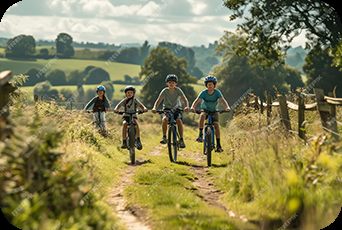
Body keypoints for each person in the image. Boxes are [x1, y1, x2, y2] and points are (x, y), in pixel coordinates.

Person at [190, 75, 230, 152]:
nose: (210, 86)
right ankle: (201, 135)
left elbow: (223, 100)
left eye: (211, 84)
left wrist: (227, 107)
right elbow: (197, 100)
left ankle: (218, 145)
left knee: (216, 125)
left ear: (214, 85)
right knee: (202, 116)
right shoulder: (204, 93)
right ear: (206, 85)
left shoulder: (217, 92)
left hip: (214, 111)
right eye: (208, 85)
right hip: (205, 109)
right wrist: (192, 107)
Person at [152, 74, 189, 148]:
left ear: (176, 83)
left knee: (178, 120)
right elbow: (158, 100)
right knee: (165, 119)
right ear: (167, 83)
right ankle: (164, 136)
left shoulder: (178, 90)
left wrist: (187, 106)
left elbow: (184, 99)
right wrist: (154, 108)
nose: (171, 84)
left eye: (173, 82)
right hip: (167, 109)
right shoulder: (165, 91)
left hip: (177, 109)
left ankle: (181, 139)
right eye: (170, 82)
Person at [114, 85, 148, 150]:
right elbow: (118, 106)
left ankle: (138, 140)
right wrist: (116, 110)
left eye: (131, 93)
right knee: (124, 124)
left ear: (133, 94)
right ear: (126, 94)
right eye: (128, 93)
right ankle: (124, 141)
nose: (129, 94)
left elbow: (142, 106)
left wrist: (144, 109)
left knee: (136, 123)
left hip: (133, 115)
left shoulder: (135, 101)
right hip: (126, 115)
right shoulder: (124, 101)